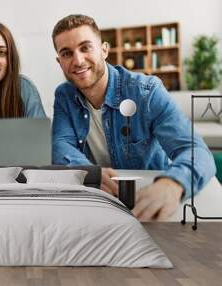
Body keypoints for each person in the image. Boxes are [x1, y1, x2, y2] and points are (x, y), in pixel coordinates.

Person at [51, 14, 216, 220]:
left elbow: (196, 151)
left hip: (147, 199)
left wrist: (173, 184)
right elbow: (60, 146)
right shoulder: (64, 95)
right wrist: (88, 172)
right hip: (99, 203)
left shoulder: (146, 91)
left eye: (85, 47)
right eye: (67, 53)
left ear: (104, 50)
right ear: (59, 62)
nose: (78, 60)